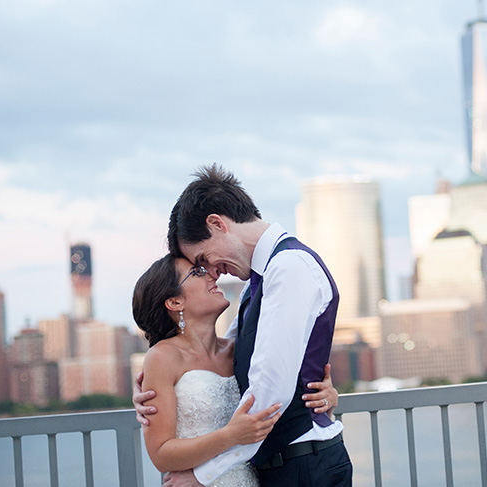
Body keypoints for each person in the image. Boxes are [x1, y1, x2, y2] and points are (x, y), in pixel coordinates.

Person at [134, 164, 352, 487]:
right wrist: (150, 392)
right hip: (280, 469)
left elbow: (268, 396)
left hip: (305, 466)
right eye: (200, 268)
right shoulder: (256, 285)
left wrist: (202, 475)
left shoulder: (287, 268)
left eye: (204, 258)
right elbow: (229, 359)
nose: (213, 272)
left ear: (217, 224)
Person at [132, 254, 339, 486]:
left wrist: (325, 399)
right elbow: (161, 454)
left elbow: (279, 393)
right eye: (197, 273)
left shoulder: (239, 350)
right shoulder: (162, 357)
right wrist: (229, 436)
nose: (212, 275)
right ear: (174, 302)